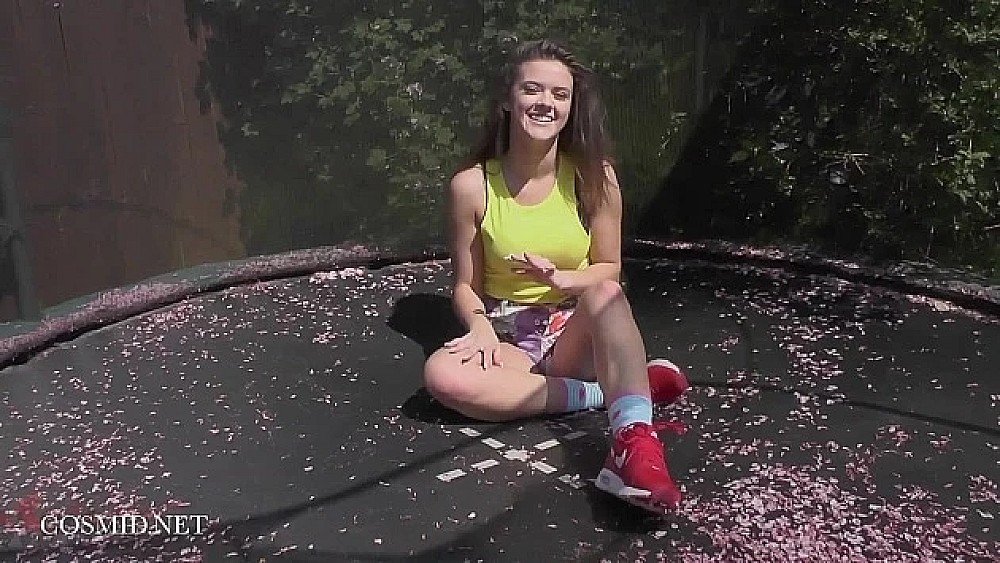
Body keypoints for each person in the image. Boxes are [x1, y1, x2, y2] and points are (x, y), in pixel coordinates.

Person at [423, 39, 689, 514]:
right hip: (509, 336)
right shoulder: (472, 186)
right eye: (532, 89)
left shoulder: (594, 178)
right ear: (508, 100)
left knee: (606, 291)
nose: (545, 102)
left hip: (573, 332)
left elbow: (610, 268)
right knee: (443, 377)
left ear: (570, 108)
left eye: (559, 94)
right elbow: (465, 285)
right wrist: (479, 326)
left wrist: (564, 280)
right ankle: (611, 390)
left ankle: (632, 446)